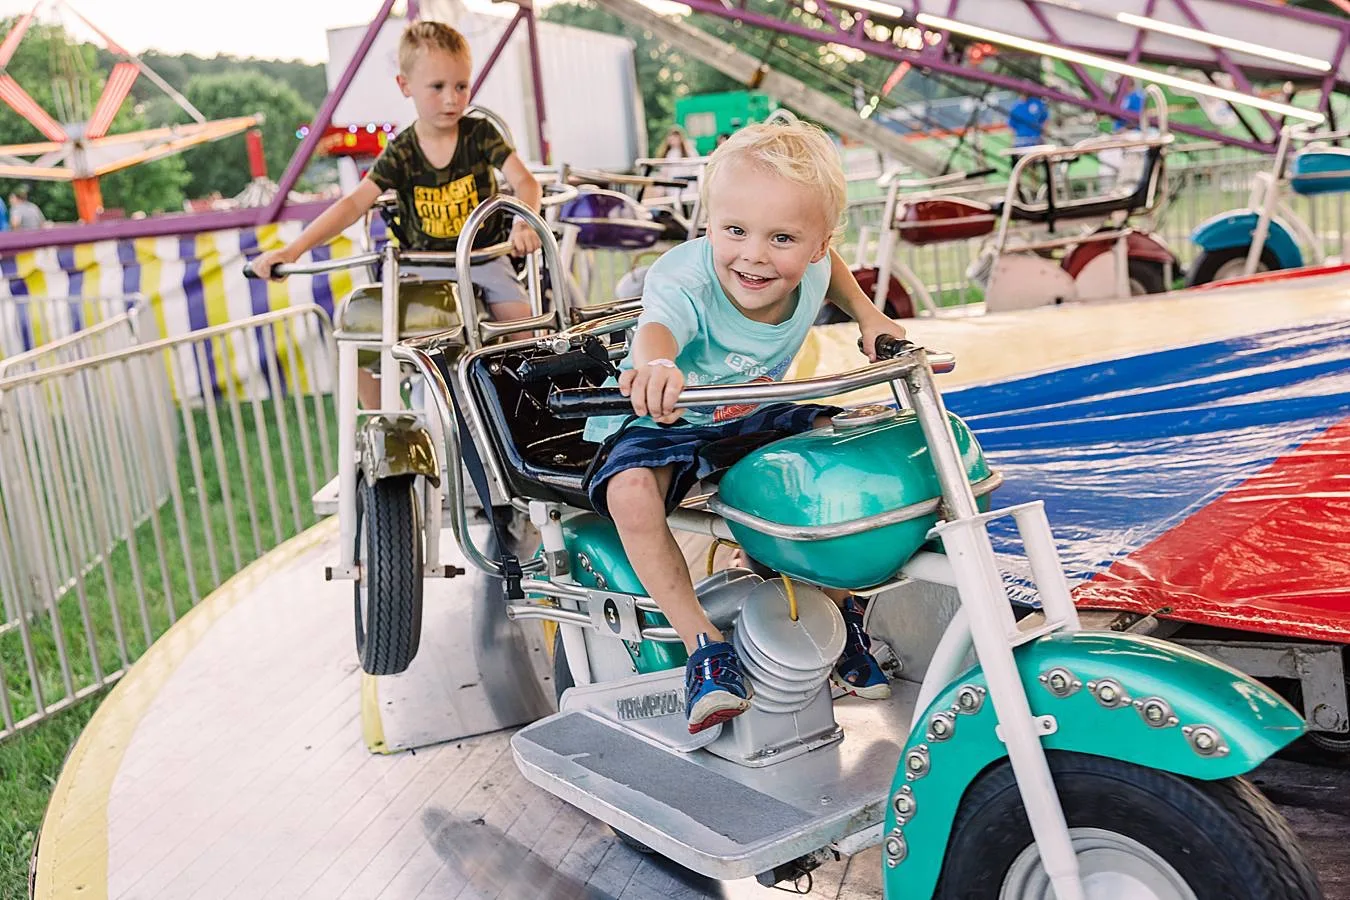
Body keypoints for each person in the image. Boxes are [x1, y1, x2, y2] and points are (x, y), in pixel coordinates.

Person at [582, 121, 910, 734]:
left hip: (749, 411)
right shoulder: (687, 279)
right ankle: (703, 648)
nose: (754, 254)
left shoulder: (813, 265)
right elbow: (659, 326)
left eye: (781, 237)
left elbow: (831, 268)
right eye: (735, 230)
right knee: (630, 492)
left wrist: (869, 316)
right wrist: (655, 363)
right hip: (668, 411)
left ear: (815, 245)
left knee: (841, 462)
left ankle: (839, 623)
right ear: (710, 225)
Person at [250, 21, 542, 405]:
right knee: (365, 336)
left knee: (525, 330)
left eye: (461, 86)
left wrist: (523, 221)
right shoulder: (402, 151)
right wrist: (294, 250)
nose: (452, 99)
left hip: (482, 256)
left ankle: (523, 412)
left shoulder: (480, 133)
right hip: (425, 266)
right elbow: (354, 203)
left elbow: (526, 183)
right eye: (437, 87)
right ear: (406, 86)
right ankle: (388, 424)